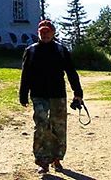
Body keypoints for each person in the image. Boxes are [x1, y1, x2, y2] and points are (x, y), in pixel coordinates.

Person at [19, 19, 83, 174]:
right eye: (42, 32)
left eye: (48, 31)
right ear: (38, 33)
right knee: (41, 126)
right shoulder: (31, 51)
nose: (45, 34)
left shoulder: (61, 50)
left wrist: (78, 93)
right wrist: (23, 94)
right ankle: (42, 162)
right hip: (39, 95)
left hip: (58, 95)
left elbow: (71, 73)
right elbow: (25, 74)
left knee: (58, 128)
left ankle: (57, 159)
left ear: (53, 33)